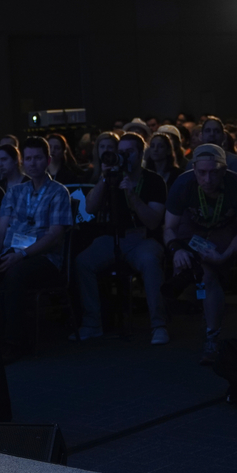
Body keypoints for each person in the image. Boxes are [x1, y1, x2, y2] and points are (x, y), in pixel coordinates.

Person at [164, 143, 237, 364]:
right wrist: (176, 250)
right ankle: (195, 307)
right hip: (192, 228)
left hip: (224, 228)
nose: (207, 179)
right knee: (186, 267)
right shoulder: (183, 184)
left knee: (207, 275)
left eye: (213, 172)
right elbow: (169, 228)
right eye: (202, 173)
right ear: (194, 170)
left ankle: (212, 335)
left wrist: (226, 255)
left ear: (224, 170)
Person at [73, 133, 168, 343]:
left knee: (150, 262)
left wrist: (132, 195)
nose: (124, 156)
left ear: (141, 154)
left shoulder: (154, 180)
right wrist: (104, 178)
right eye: (121, 152)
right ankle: (92, 323)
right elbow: (88, 210)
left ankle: (158, 325)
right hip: (112, 237)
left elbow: (153, 222)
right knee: (82, 262)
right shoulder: (111, 178)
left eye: (130, 152)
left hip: (142, 238)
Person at [0, 137, 74, 358]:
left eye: (38, 158)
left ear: (48, 160)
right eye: (28, 158)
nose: (32, 163)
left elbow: (54, 235)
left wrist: (22, 254)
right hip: (12, 252)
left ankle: (13, 343)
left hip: (45, 258)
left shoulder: (58, 192)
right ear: (23, 161)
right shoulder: (14, 192)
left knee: (16, 273)